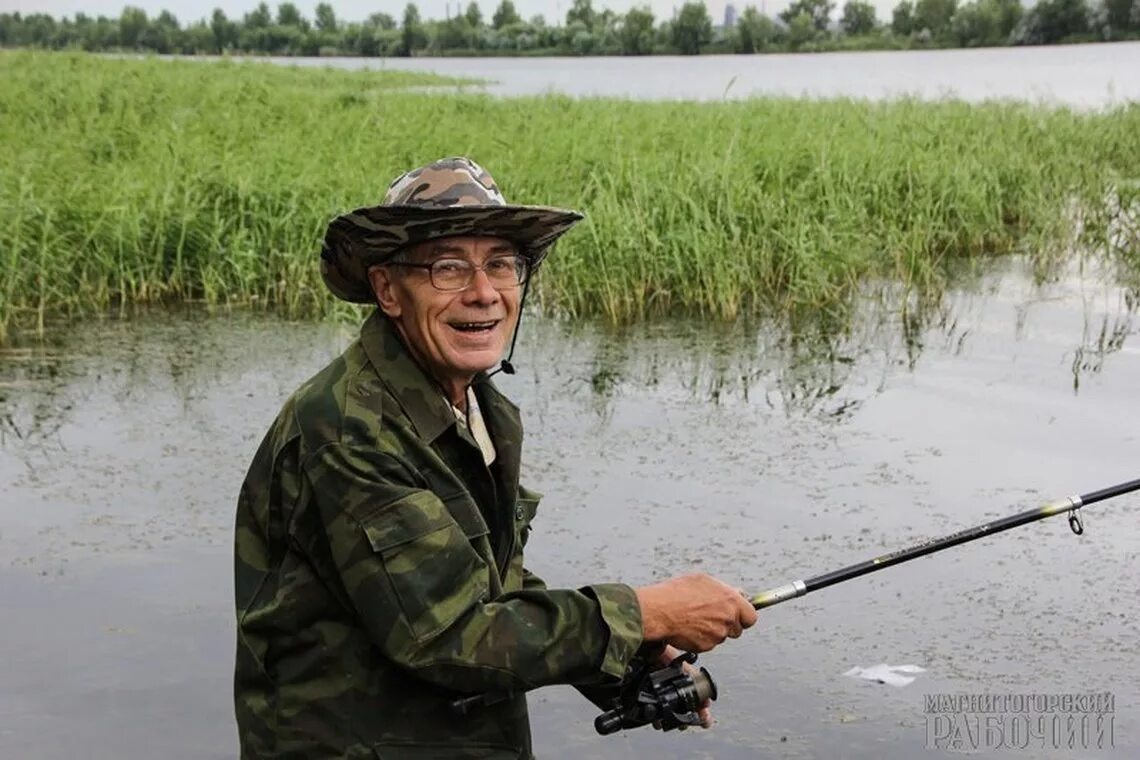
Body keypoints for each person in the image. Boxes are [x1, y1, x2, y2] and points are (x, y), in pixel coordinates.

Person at [233, 157, 758, 759]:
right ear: (387, 290)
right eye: (448, 267)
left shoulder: (473, 405)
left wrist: (619, 662)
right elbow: (448, 634)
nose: (483, 293)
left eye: (502, 265)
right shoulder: (350, 429)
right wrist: (646, 613)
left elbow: (486, 583)